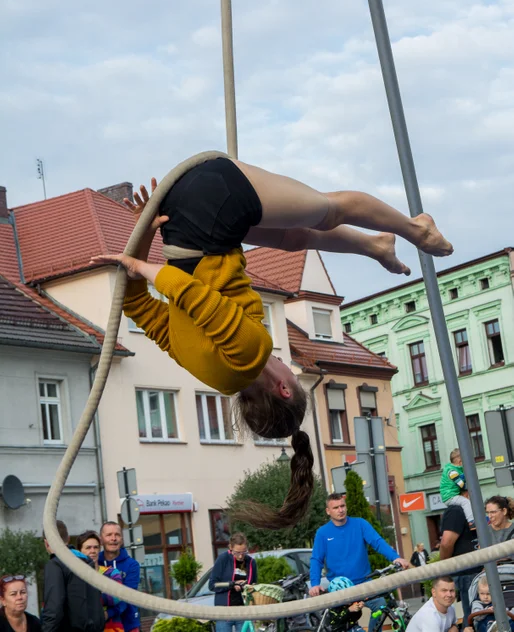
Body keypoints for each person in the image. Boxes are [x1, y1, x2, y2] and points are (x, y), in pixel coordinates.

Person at [91, 157, 453, 529]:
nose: (289, 366)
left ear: (282, 388)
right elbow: (138, 305)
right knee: (297, 237)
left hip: (210, 205)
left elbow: (193, 295)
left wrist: (142, 267)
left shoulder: (250, 356)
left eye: (293, 376)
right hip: (189, 221)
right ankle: (376, 245)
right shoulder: (212, 375)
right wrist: (145, 232)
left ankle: (415, 230)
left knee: (330, 210)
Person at [309, 493, 409, 632]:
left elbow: (377, 542)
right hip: (340, 589)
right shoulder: (323, 533)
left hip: (363, 583)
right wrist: (315, 584)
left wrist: (395, 558)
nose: (340, 510)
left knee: (380, 605)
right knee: (342, 623)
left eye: (342, 506)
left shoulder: (360, 524)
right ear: (328, 511)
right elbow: (316, 559)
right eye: (336, 507)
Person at [41, 520, 105, 632]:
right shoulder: (88, 562)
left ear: (47, 543)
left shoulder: (56, 564)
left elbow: (54, 608)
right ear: (68, 539)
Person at [439, 495, 481, 625]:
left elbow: (446, 543)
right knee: (472, 616)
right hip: (467, 571)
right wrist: (445, 566)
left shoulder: (463, 509)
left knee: (473, 616)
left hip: (471, 570)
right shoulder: (457, 510)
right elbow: (447, 542)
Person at [76, 531, 124, 632]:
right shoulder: (75, 576)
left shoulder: (112, 573)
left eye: (96, 547)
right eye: (88, 548)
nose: (93, 551)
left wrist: (87, 597)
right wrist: (103, 593)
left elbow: (117, 597)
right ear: (80, 551)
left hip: (112, 628)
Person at [209, 532, 257, 632]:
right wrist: (232, 584)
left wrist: (245, 586)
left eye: (244, 552)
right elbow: (212, 585)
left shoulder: (251, 562)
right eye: (237, 553)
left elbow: (254, 586)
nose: (240, 556)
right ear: (230, 548)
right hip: (224, 612)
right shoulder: (223, 559)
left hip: (243, 611)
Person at [98, 522, 140, 632]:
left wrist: (108, 613)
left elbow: (128, 596)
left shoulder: (132, 565)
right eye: (109, 535)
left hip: (128, 625)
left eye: (117, 535)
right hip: (102, 626)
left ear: (121, 539)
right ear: (101, 539)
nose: (113, 538)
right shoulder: (95, 563)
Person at [440, 449, 474, 527]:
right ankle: (471, 521)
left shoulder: (455, 470)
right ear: (460, 461)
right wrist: (470, 487)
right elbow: (461, 484)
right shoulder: (452, 472)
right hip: (450, 496)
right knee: (466, 502)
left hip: (451, 495)